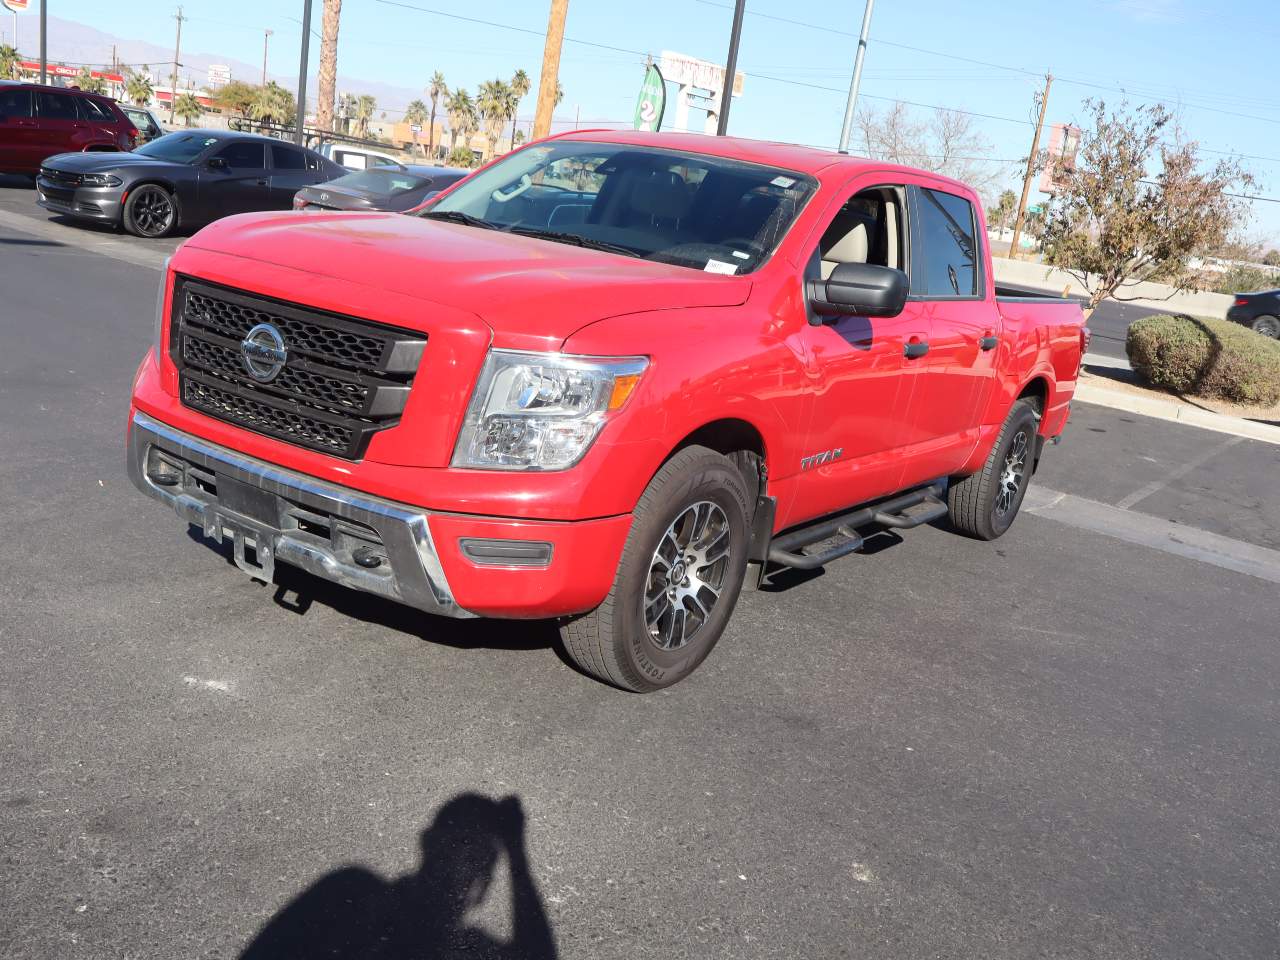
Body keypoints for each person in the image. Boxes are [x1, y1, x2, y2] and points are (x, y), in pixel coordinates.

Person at [239, 793, 556, 960]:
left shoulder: (350, 891)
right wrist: (516, 854)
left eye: (475, 856)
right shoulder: (463, 947)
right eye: (464, 847)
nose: (464, 865)